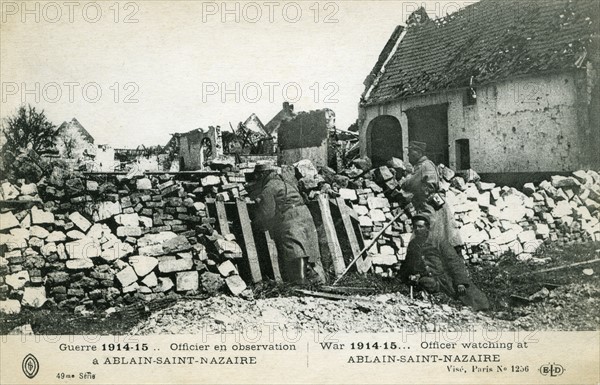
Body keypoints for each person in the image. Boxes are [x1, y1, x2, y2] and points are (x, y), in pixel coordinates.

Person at [251, 164, 324, 284]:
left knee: (295, 249)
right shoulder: (286, 183)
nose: (257, 178)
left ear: (264, 174)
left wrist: (258, 223)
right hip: (304, 215)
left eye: (258, 175)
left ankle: (300, 282)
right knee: (304, 248)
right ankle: (313, 279)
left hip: (291, 218)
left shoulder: (269, 187)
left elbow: (267, 213)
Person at [399, 215, 489, 311]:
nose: (417, 229)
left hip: (446, 277)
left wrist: (460, 282)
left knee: (474, 300)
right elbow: (409, 263)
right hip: (430, 279)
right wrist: (411, 275)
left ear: (427, 228)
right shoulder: (413, 244)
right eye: (415, 227)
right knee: (426, 283)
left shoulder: (439, 241)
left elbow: (453, 261)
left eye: (420, 227)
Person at [401, 141, 462, 247]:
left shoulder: (424, 166)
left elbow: (409, 184)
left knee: (428, 235)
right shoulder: (426, 164)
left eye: (410, 152)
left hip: (428, 205)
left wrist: (405, 179)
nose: (408, 155)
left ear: (419, 152)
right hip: (431, 203)